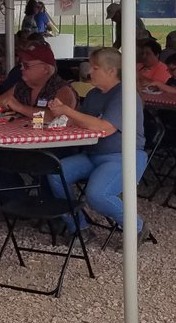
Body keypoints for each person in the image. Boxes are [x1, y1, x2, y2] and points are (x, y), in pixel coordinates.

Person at [45, 47, 148, 240]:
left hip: (123, 156)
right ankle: (78, 228)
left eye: (95, 68)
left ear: (111, 71)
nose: (89, 72)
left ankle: (137, 227)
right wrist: (58, 118)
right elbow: (81, 121)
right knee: (55, 171)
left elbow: (105, 127)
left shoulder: (125, 95)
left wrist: (67, 111)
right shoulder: (94, 95)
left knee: (97, 195)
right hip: (94, 154)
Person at [0, 42, 77, 120]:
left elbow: (57, 116)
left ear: (45, 69)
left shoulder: (63, 89)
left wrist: (19, 108)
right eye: (21, 64)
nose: (21, 68)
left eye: (26, 65)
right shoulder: (21, 86)